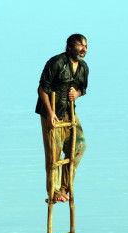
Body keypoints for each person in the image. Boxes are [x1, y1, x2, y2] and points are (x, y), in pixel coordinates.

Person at [35, 34, 89, 202]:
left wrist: (77, 93)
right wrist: (50, 113)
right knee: (54, 152)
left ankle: (65, 187)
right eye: (80, 45)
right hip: (51, 112)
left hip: (69, 112)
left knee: (80, 146)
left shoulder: (83, 67)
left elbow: (83, 88)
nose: (84, 49)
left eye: (86, 46)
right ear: (69, 47)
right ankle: (55, 192)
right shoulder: (57, 63)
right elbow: (42, 88)